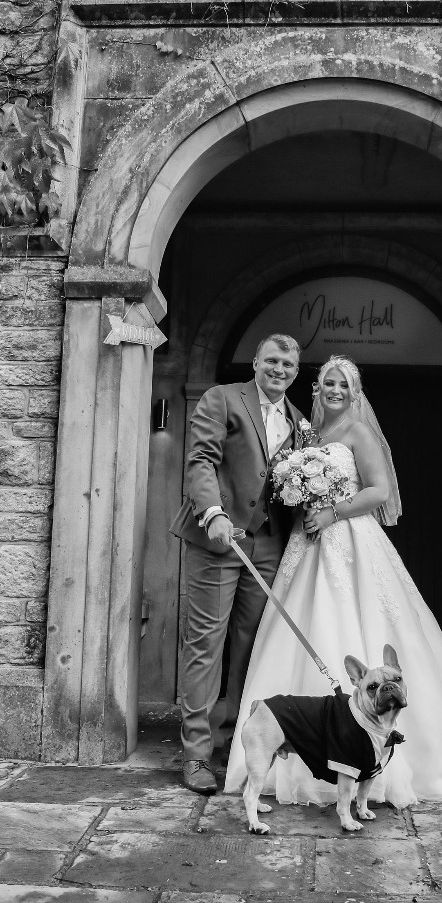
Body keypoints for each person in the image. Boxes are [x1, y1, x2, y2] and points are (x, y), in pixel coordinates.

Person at [224, 355, 442, 806]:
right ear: (317, 387)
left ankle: (381, 757)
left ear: (355, 392)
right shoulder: (309, 433)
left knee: (356, 618)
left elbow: (379, 491)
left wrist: (332, 512)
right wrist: (299, 492)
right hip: (307, 543)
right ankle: (287, 748)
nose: (336, 391)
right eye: (329, 383)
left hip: (349, 540)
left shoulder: (358, 432)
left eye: (344, 385)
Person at [170, 333, 305, 794]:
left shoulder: (299, 420)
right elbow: (201, 460)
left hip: (268, 545)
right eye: (272, 360)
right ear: (256, 361)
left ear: (296, 371)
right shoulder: (222, 398)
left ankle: (234, 742)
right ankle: (196, 753)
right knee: (206, 644)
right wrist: (212, 512)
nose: (279, 370)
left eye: (288, 364)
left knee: (251, 646)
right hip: (219, 540)